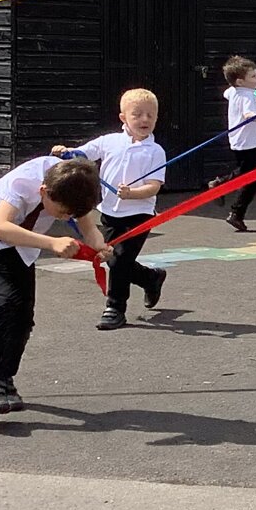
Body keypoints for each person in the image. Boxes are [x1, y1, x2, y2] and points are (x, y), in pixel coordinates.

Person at [0, 156, 110, 415]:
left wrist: (99, 244)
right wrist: (52, 243)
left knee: (23, 315)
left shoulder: (70, 183)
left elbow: (87, 226)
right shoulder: (24, 182)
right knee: (6, 303)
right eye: (63, 212)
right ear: (44, 192)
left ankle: (6, 379)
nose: (67, 218)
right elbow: (1, 227)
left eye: (71, 214)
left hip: (22, 245)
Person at [53, 88, 169, 331]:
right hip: (109, 212)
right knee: (115, 259)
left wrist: (133, 194)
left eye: (150, 115)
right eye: (137, 114)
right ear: (123, 118)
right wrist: (66, 152)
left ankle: (115, 308)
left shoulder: (155, 151)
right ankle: (150, 277)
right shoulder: (109, 141)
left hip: (140, 215)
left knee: (119, 260)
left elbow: (154, 186)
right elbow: (84, 153)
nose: (145, 120)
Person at [218, 55, 256, 233]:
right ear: (240, 80)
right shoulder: (248, 95)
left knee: (246, 172)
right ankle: (236, 212)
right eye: (253, 76)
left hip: (238, 138)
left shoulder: (234, 91)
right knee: (250, 178)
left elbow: (226, 93)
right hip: (247, 141)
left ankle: (221, 187)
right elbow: (249, 116)